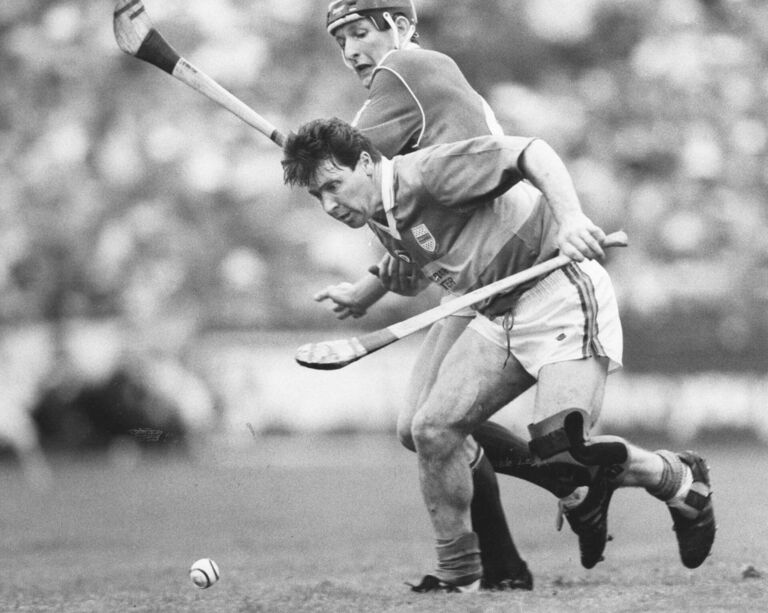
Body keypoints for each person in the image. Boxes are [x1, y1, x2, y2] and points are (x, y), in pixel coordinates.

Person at [281, 117, 716, 591]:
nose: (328, 204)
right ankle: (459, 576)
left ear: (364, 162)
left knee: (564, 455)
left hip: (558, 294)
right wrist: (370, 292)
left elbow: (532, 151)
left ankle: (677, 478)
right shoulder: (378, 212)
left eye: (333, 186)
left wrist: (570, 218)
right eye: (316, 196)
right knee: (433, 429)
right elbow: (428, 256)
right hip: (496, 315)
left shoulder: (427, 172)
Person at [316, 0, 608, 588]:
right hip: (477, 280)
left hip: (519, 265)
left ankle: (579, 492)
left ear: (399, 27)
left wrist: (312, 160)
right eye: (340, 40)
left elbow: (356, 163)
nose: (350, 52)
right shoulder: (407, 100)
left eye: (359, 33)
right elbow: (403, 211)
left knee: (438, 429)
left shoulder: (407, 69)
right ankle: (514, 554)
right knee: (421, 430)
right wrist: (372, 288)